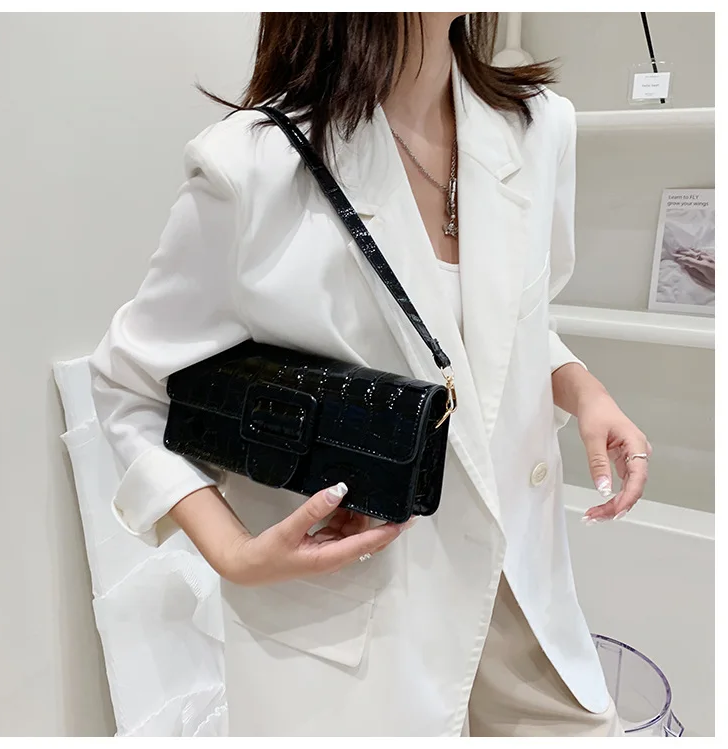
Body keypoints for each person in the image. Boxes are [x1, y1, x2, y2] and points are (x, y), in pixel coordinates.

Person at [90, 12, 652, 737]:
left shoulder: (539, 129)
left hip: (525, 603)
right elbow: (130, 387)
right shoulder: (254, 165)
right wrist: (231, 553)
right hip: (355, 635)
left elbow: (508, 324)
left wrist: (582, 387)